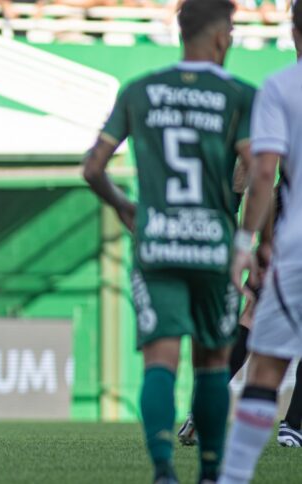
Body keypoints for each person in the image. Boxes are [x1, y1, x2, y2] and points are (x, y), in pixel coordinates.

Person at [81, 1, 256, 482]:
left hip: (158, 243)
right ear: (219, 35)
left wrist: (125, 206)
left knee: (160, 361)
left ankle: (163, 470)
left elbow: (92, 168)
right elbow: (259, 170)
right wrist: (246, 239)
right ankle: (211, 471)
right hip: (214, 246)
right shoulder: (240, 95)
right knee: (212, 361)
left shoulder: (139, 90)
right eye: (231, 30)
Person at [219, 2, 302, 481]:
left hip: (291, 242)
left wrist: (248, 241)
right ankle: (294, 425)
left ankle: (233, 468)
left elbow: (259, 173)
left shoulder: (279, 87)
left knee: (264, 354)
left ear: (294, 29)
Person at [178, 181, 302, 449]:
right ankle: (293, 425)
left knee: (251, 316)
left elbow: (261, 180)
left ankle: (204, 407)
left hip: (284, 229)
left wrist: (255, 238)